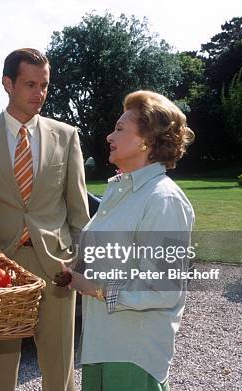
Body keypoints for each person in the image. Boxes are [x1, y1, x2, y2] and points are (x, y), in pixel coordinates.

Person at [0, 48, 90, 391]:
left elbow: (77, 207)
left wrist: (80, 260)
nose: (39, 93)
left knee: (60, 365)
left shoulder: (66, 135)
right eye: (30, 84)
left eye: (44, 85)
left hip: (55, 264)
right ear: (7, 84)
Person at [63, 90, 195, 391]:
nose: (110, 136)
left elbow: (163, 290)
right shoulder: (121, 192)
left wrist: (95, 289)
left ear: (147, 139)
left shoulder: (163, 200)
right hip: (104, 345)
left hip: (133, 354)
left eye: (120, 129)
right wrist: (78, 263)